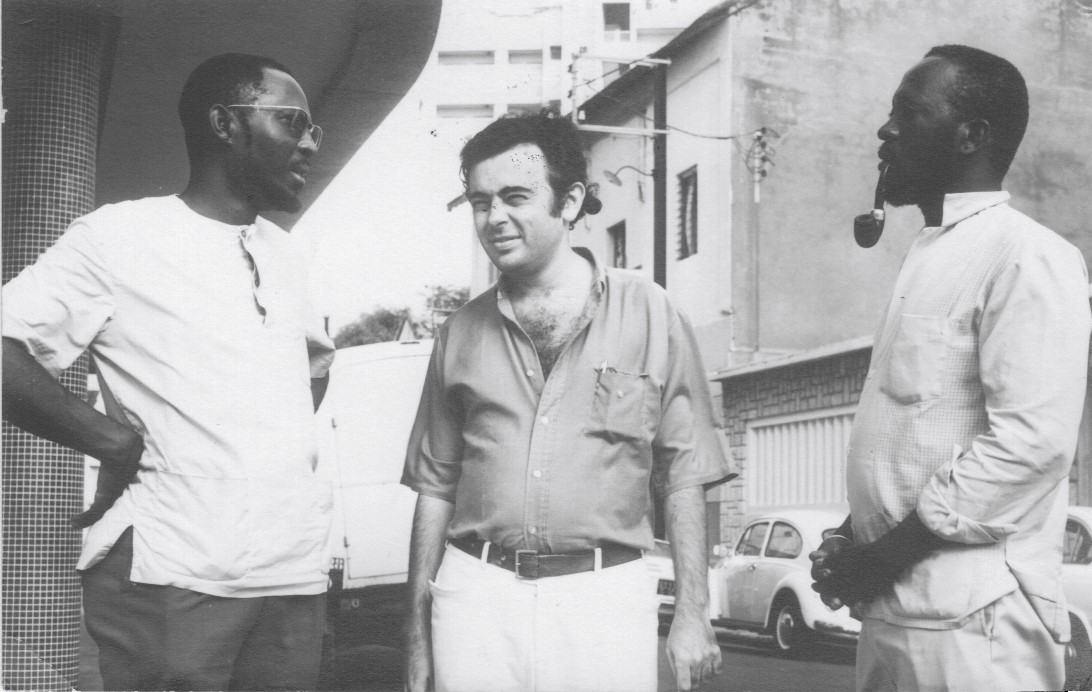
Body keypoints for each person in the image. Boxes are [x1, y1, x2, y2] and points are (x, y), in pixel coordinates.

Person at [2, 53, 335, 691]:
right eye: (293, 122)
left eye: (315, 129)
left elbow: (309, 376)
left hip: (291, 574)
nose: (310, 143)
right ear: (224, 123)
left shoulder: (288, 257)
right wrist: (111, 439)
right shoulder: (120, 236)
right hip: (172, 574)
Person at [401, 111, 733, 692]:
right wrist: (417, 638)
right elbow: (434, 491)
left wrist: (692, 612)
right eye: (480, 202)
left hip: (603, 599)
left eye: (515, 197)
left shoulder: (650, 313)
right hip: (475, 597)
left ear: (570, 201)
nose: (494, 218)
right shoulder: (458, 333)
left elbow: (686, 474)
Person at [810, 45, 1091, 691]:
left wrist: (884, 554)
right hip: (899, 607)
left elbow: (1031, 446)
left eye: (909, 112)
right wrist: (852, 539)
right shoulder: (930, 255)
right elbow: (919, 434)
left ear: (972, 136)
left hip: (973, 617)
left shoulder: (1027, 257)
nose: (887, 130)